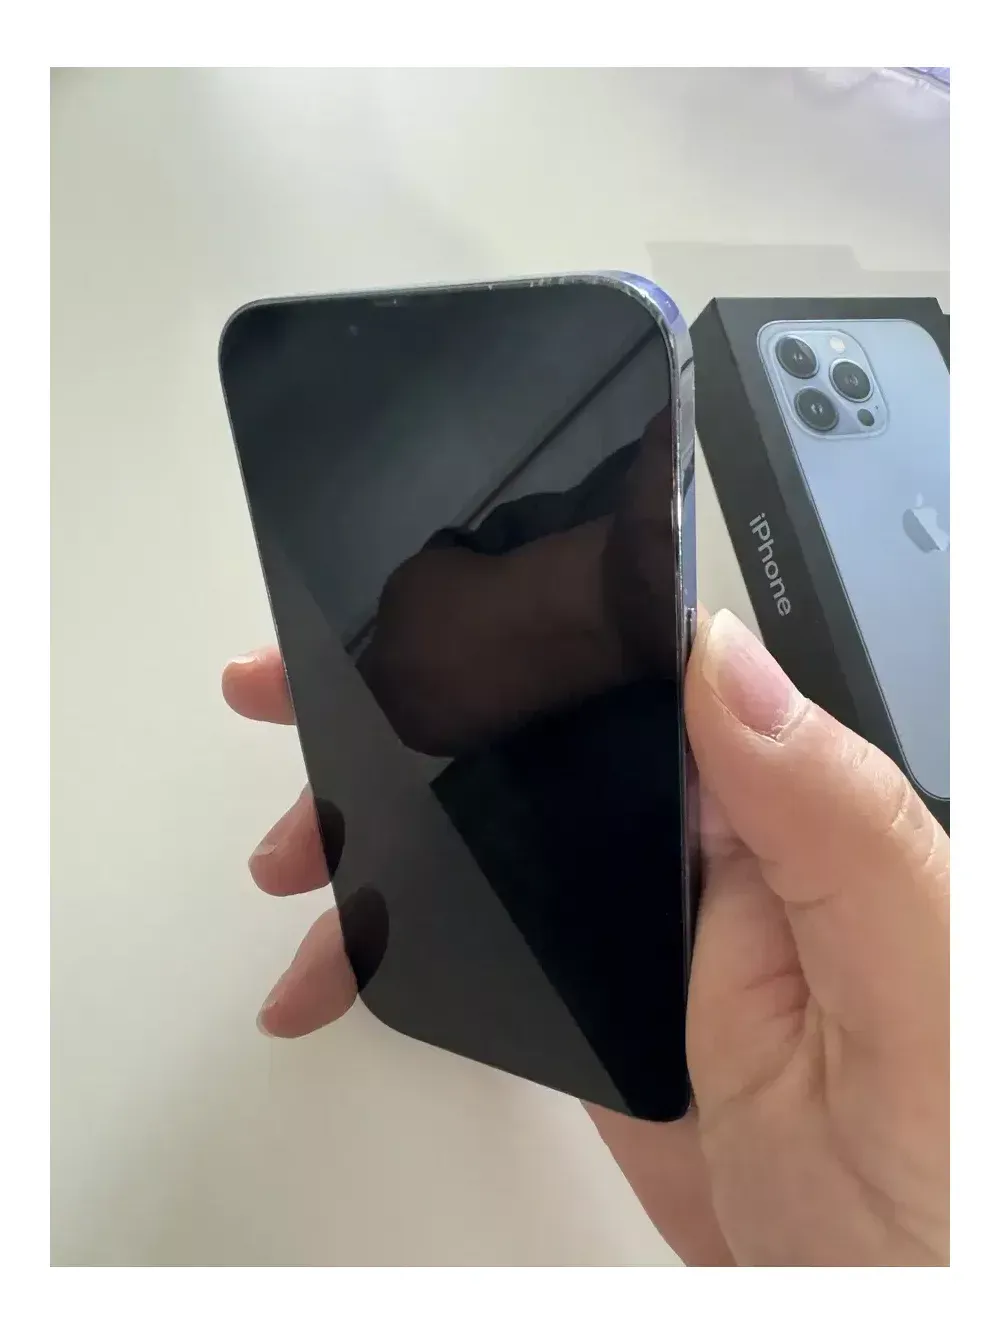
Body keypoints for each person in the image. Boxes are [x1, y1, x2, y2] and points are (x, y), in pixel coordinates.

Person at [222, 428, 949, 1266]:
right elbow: (415, 652)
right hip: (519, 907)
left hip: (605, 999)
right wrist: (609, 587)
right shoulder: (652, 497)